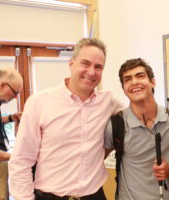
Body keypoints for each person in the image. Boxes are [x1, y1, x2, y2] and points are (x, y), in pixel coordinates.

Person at [9, 38, 123, 200]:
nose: (91, 72)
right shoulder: (39, 102)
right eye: (85, 63)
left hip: (94, 195)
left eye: (98, 67)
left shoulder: (108, 102)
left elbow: (136, 116)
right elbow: (21, 161)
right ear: (71, 63)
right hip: (50, 196)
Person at [104, 58, 169, 200]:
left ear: (153, 82)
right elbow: (95, 160)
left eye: (140, 76)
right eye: (127, 79)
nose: (134, 82)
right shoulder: (116, 125)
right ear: (124, 88)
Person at [0, 67, 23, 200]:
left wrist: (11, 118)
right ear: (2, 85)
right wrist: (12, 157)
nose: (15, 97)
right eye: (15, 92)